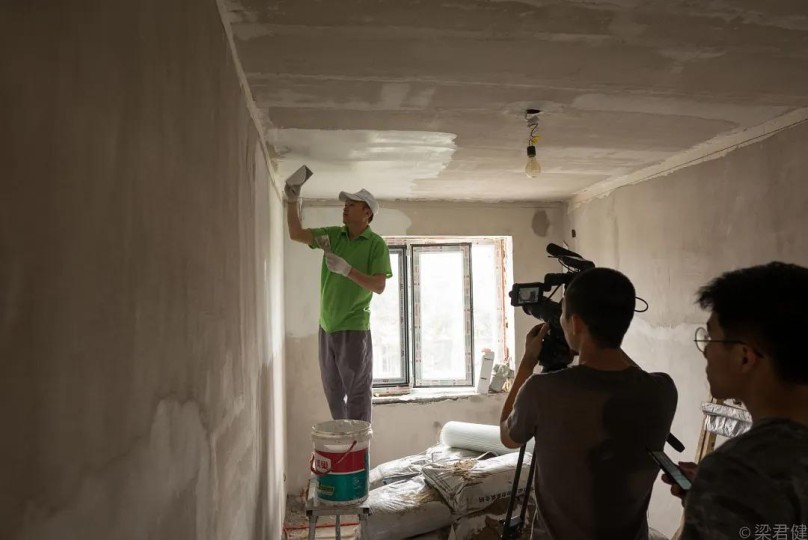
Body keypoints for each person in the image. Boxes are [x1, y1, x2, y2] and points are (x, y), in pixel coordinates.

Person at [500, 267, 678, 540]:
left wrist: (527, 363)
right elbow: (630, 371)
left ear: (576, 323)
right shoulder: (663, 390)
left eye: (562, 315)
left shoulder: (541, 390)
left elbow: (507, 436)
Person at [662, 262, 808, 539]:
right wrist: (713, 503)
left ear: (744, 357)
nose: (705, 351)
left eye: (710, 338)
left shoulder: (739, 470)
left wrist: (720, 492)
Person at [285, 181, 391, 422]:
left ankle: (358, 445)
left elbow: (379, 286)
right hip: (326, 326)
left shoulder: (376, 245)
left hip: (353, 328)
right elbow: (296, 234)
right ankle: (343, 441)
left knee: (357, 396)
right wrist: (292, 201)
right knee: (333, 395)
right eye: (346, 204)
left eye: (352, 205)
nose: (345, 207)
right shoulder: (333, 236)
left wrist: (347, 270)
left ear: (367, 212)